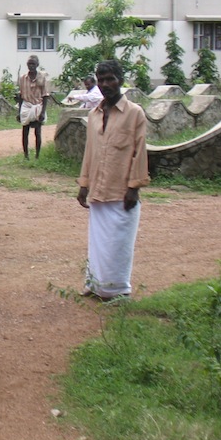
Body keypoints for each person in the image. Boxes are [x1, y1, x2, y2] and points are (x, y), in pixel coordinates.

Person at [76, 59, 150, 300]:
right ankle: (95, 284)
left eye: (110, 79)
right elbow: (90, 152)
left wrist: (134, 187)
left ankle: (117, 289)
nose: (105, 84)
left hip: (122, 191)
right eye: (101, 80)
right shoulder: (94, 114)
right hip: (98, 188)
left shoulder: (134, 113)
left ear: (120, 80)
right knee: (98, 243)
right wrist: (83, 184)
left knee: (118, 244)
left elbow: (139, 152)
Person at [17, 54, 50, 159]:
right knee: (25, 131)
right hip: (26, 106)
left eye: (33, 64)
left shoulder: (42, 77)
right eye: (29, 64)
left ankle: (37, 155)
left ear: (37, 65)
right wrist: (19, 111)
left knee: (37, 132)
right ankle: (26, 155)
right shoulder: (23, 78)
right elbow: (21, 96)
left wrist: (43, 112)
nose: (31, 66)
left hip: (37, 106)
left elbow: (45, 96)